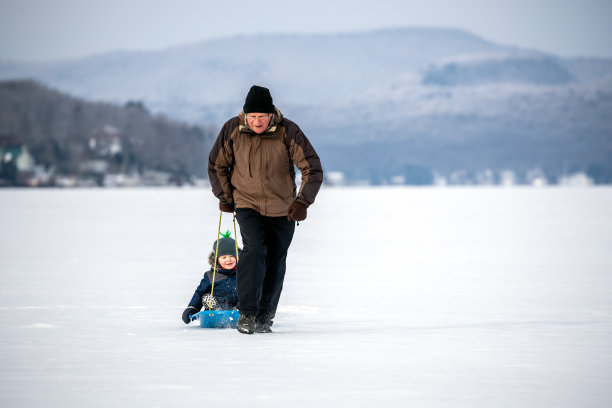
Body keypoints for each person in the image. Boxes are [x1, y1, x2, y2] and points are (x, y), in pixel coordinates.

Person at [208, 85, 323, 334]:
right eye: (253, 116)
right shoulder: (232, 130)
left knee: (275, 260)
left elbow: (311, 169)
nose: (257, 121)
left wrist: (302, 202)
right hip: (247, 203)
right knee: (254, 250)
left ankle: (265, 317)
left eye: (262, 116)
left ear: (271, 115)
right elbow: (217, 165)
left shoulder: (288, 131)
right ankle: (247, 314)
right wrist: (226, 197)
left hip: (283, 208)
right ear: (245, 115)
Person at [181, 232, 240, 324]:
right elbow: (199, 293)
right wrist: (192, 308)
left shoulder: (243, 274)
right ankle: (217, 311)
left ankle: (240, 311)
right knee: (206, 297)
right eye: (224, 257)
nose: (228, 260)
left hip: (237, 308)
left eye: (232, 256)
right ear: (217, 259)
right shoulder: (210, 275)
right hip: (215, 308)